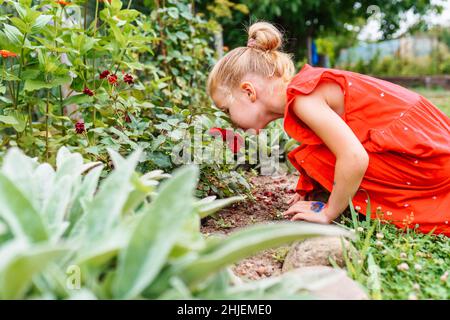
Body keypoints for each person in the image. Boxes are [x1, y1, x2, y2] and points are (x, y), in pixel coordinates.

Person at [206, 21, 450, 236]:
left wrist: (328, 213)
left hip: (429, 157)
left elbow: (354, 157)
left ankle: (339, 201)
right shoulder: (300, 93)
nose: (229, 119)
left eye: (226, 109)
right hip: (425, 142)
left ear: (248, 91)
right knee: (317, 153)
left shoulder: (303, 99)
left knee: (326, 157)